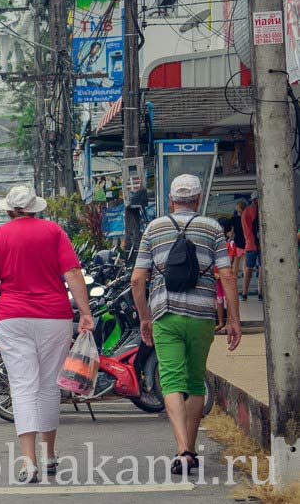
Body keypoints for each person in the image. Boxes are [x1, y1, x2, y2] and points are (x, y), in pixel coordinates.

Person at [0, 186, 93, 483]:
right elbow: (73, 273)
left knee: (23, 387)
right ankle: (49, 455)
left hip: (13, 318)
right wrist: (86, 312)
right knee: (49, 387)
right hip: (54, 317)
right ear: (35, 208)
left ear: (9, 210)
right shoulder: (53, 232)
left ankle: (29, 463)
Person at [132, 174, 241, 475]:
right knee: (194, 382)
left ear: (171, 200)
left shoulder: (154, 228)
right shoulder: (213, 228)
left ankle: (182, 450)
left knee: (171, 381)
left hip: (165, 314)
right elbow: (228, 275)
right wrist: (233, 320)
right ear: (197, 199)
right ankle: (189, 450)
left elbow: (137, 279)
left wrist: (144, 317)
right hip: (202, 315)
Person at [241, 191, 262, 301]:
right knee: (260, 268)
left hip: (251, 245)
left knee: (249, 269)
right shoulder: (259, 211)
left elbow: (246, 231)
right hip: (256, 245)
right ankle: (260, 292)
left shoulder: (246, 212)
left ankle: (245, 293)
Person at [231, 200, 247, 278]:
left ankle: (234, 283)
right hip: (245, 242)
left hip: (238, 242)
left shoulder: (235, 219)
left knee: (235, 265)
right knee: (244, 265)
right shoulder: (246, 217)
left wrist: (230, 239)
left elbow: (232, 232)